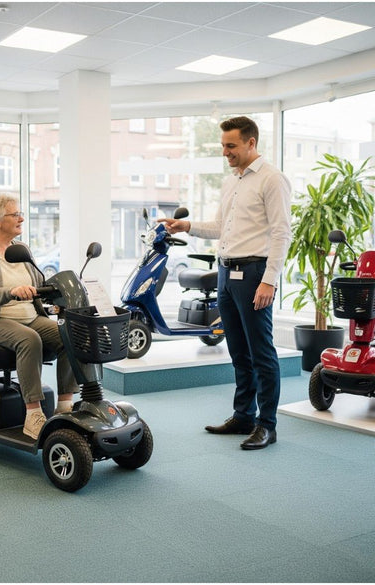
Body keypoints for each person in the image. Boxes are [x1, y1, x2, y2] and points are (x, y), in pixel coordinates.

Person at [159, 116, 292, 450]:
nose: (225, 152)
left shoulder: (272, 180)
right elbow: (220, 226)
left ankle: (267, 425)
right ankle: (243, 416)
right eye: (223, 146)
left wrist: (269, 281)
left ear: (251, 143)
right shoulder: (231, 181)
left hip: (253, 274)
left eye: (231, 146)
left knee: (261, 353)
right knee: (238, 352)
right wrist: (185, 227)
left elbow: (281, 233)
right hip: (226, 272)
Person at [0, 194, 78, 439]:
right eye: (15, 214)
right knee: (30, 340)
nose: (22, 218)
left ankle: (65, 406)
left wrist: (58, 296)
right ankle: (33, 415)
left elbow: (38, 283)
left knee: (70, 335)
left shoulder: (21, 249)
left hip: (30, 315)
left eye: (20, 213)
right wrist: (11, 292)